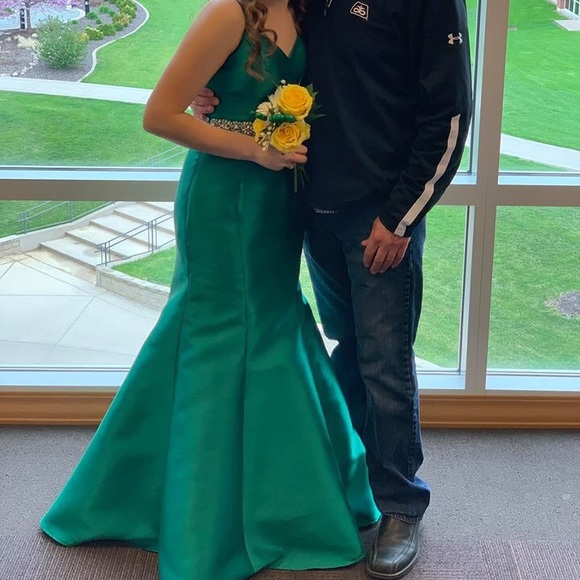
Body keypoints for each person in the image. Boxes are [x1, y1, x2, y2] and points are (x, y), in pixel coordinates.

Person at [39, 0, 381, 578]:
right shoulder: (227, 12)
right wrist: (254, 146)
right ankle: (196, 513)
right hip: (224, 198)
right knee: (217, 331)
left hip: (278, 200)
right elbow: (159, 114)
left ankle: (281, 501)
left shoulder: (308, 11)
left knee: (273, 322)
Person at [194, 0, 473, 577]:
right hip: (308, 204)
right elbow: (271, 64)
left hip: (378, 217)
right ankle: (350, 483)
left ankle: (400, 505)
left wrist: (400, 219)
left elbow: (448, 117)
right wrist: (214, 92)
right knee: (345, 347)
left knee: (384, 363)